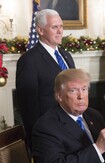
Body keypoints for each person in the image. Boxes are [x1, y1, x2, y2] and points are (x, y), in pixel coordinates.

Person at [16, 9, 75, 151]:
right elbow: (28, 107)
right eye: (54, 27)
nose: (60, 31)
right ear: (40, 30)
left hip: (71, 129)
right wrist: (38, 139)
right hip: (49, 136)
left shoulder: (66, 55)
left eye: (61, 26)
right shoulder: (29, 60)